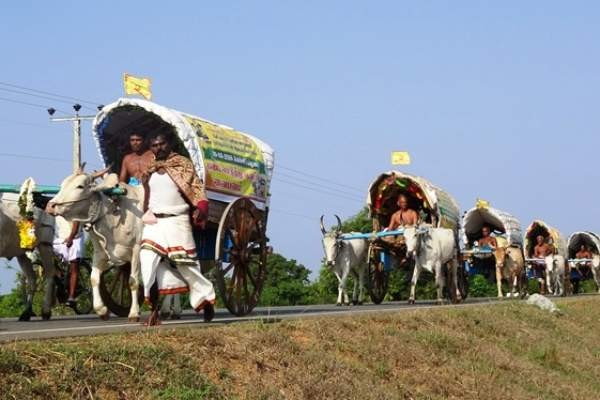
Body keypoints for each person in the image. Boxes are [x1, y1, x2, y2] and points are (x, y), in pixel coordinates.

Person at [140, 132, 215, 326]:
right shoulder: (150, 168)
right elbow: (147, 193)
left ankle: (206, 299)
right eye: (154, 145)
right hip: (155, 222)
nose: (158, 148)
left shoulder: (182, 164)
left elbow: (197, 189)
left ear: (169, 143)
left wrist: (201, 208)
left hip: (177, 221)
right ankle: (154, 311)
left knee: (186, 266)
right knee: (148, 262)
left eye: (161, 143)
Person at [52, 216, 83, 306]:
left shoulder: (74, 208)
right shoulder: (55, 206)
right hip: (59, 239)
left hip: (75, 238)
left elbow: (76, 224)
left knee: (74, 264)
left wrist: (71, 237)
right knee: (46, 253)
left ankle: (71, 296)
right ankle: (59, 275)